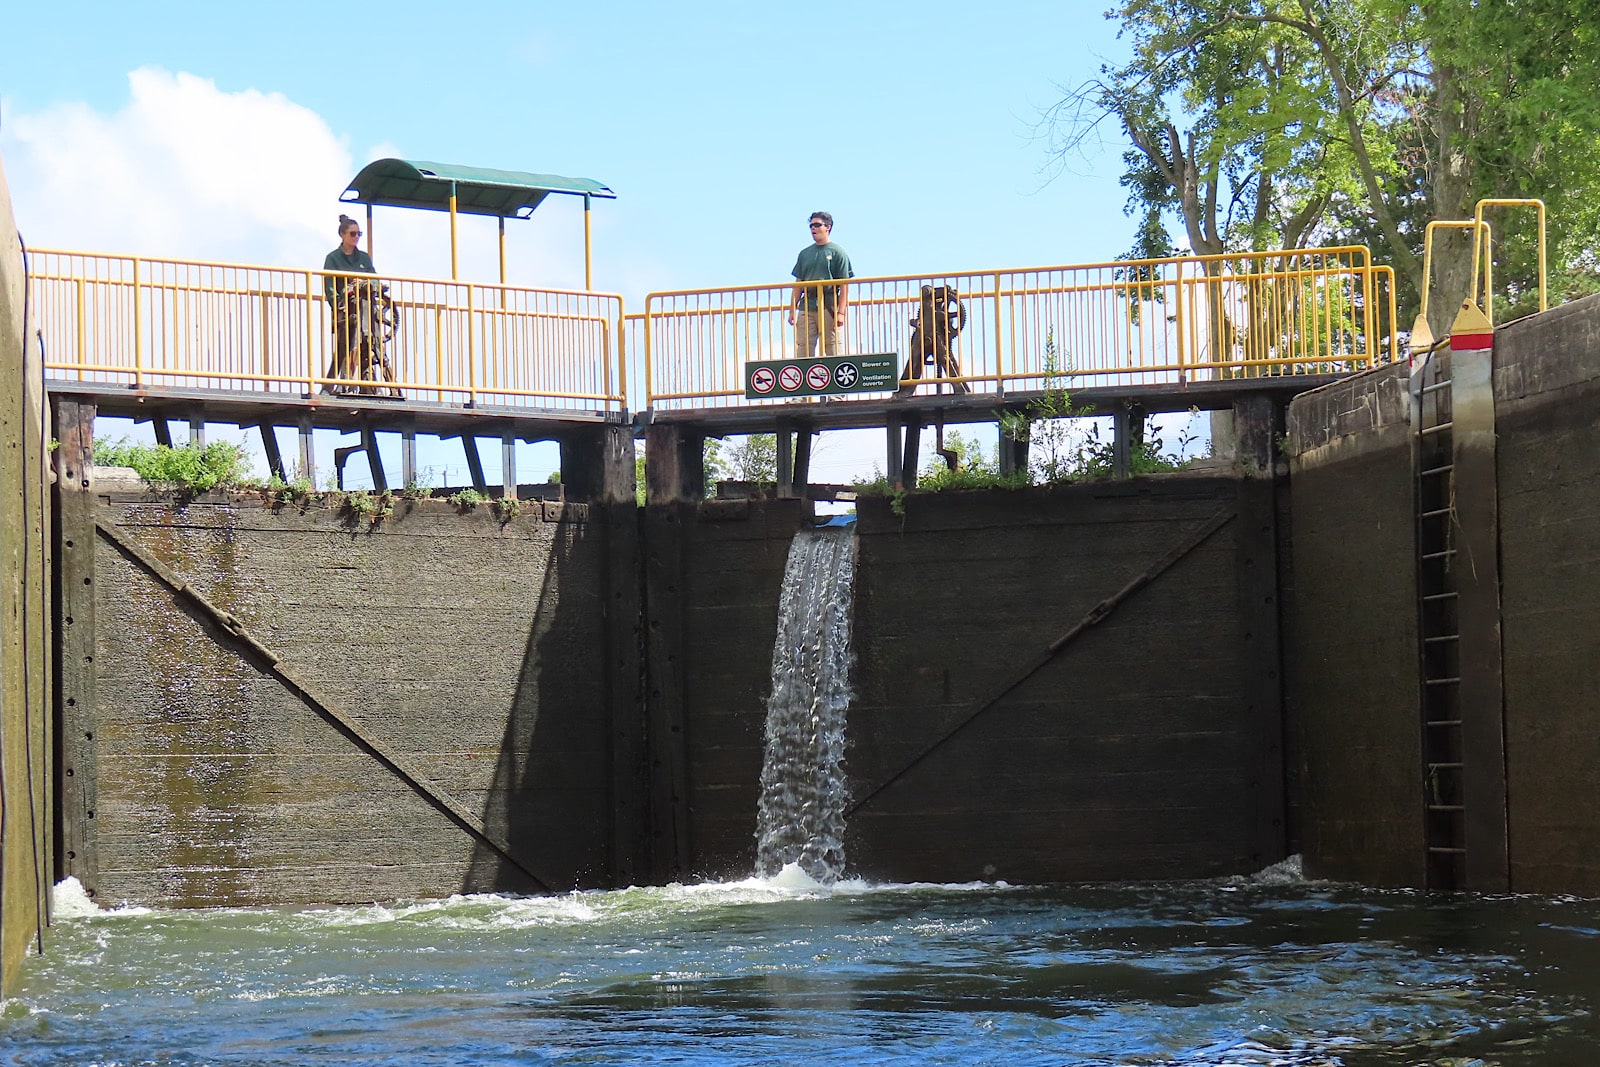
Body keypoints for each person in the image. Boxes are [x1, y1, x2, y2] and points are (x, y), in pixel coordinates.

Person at [321, 215, 398, 396]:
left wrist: (367, 284)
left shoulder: (364, 258)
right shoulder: (332, 259)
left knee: (373, 345)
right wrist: (340, 304)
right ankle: (344, 383)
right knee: (346, 346)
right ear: (342, 235)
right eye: (353, 234)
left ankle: (370, 382)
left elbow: (375, 280)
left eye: (359, 234)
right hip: (347, 311)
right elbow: (330, 289)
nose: (356, 237)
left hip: (368, 311)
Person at [788, 212, 853, 358]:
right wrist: (792, 309)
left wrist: (841, 312)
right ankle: (805, 372)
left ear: (828, 227)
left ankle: (835, 372)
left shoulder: (838, 252)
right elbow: (798, 283)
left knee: (832, 346)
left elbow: (844, 285)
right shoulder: (804, 254)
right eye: (811, 226)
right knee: (804, 347)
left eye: (817, 225)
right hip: (807, 305)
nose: (813, 228)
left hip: (829, 305)